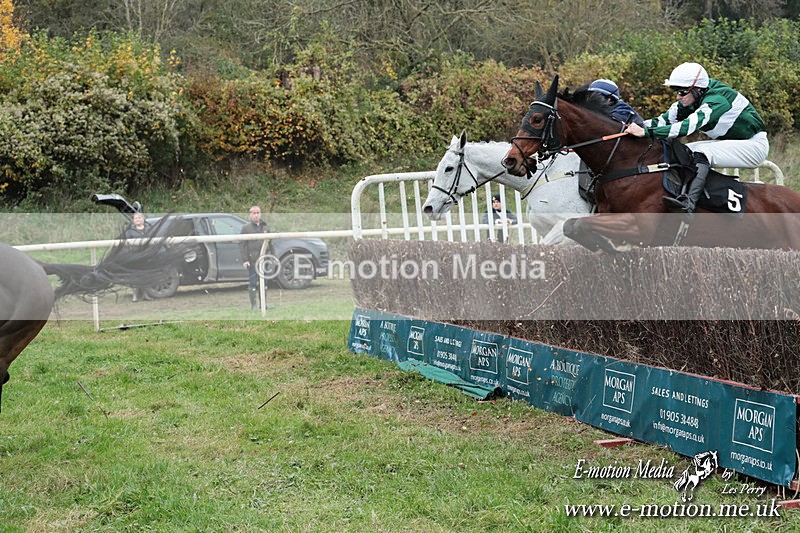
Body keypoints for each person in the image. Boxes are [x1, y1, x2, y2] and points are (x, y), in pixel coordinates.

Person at [625, 62, 768, 216]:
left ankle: (689, 203)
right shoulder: (691, 98)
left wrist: (646, 132)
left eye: (682, 92)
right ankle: (677, 193)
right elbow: (662, 121)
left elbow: (685, 128)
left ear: (698, 89)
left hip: (753, 146)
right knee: (684, 152)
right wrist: (628, 126)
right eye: (676, 91)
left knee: (701, 152)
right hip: (731, 142)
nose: (678, 96)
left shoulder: (717, 100)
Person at [239, 205, 269, 310]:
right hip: (252, 260)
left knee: (264, 282)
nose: (256, 215)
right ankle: (254, 305)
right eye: (254, 213)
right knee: (252, 283)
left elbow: (270, 242)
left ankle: (264, 304)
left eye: (258, 213)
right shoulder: (246, 228)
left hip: (264, 260)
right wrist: (245, 260)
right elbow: (242, 245)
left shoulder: (265, 226)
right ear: (250, 215)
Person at [123, 212, 152, 302]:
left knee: (146, 274)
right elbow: (127, 244)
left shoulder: (149, 229)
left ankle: (145, 294)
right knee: (135, 275)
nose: (138, 220)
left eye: (139, 218)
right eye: (136, 218)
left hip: (146, 255)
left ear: (143, 219)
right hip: (135, 256)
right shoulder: (129, 231)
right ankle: (135, 296)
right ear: (133, 221)